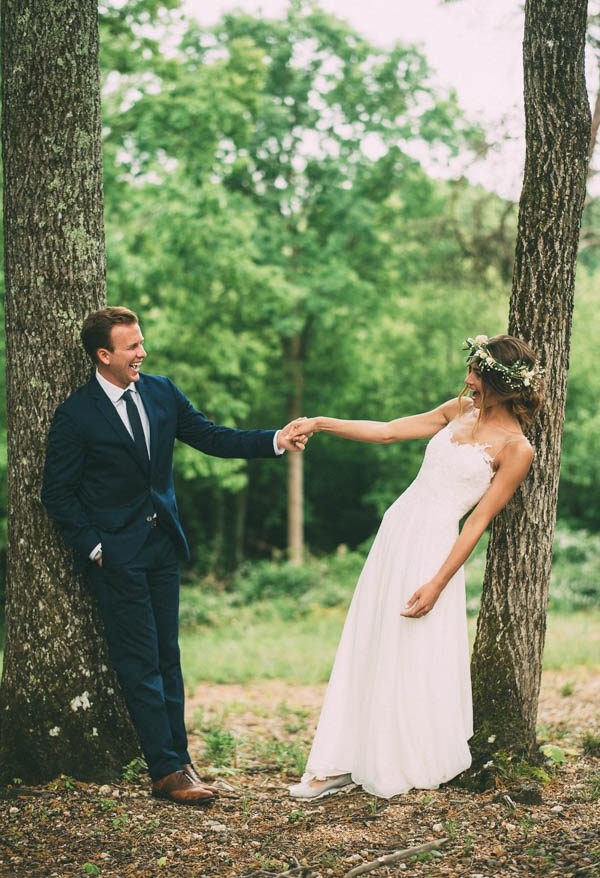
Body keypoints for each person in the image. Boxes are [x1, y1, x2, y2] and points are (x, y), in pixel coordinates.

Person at [41, 306, 308, 806]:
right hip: (116, 557)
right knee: (139, 662)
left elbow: (211, 437)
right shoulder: (76, 414)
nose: (142, 352)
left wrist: (276, 440)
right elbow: (57, 494)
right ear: (104, 356)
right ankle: (164, 772)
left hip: (163, 545)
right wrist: (96, 548)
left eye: (141, 342)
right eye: (131, 346)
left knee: (169, 657)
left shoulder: (162, 391)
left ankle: (181, 760)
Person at [287, 334, 545, 800]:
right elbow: (386, 430)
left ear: (503, 385)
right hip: (397, 532)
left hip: (433, 547)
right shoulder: (456, 410)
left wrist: (438, 583)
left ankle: (393, 756)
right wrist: (322, 423)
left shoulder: (516, 449)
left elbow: (477, 522)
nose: (468, 380)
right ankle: (344, 757)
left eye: (478, 375)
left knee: (408, 649)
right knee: (371, 637)